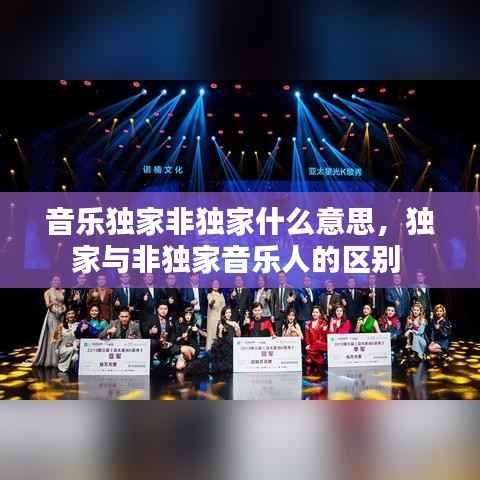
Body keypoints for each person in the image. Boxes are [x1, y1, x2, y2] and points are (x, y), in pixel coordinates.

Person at [31, 276, 66, 367]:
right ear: (51, 281)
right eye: (55, 280)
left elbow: (64, 303)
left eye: (58, 280)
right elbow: (47, 305)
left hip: (61, 315)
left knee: (60, 335)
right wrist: (53, 303)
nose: (56, 282)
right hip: (52, 316)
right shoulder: (47, 292)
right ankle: (52, 360)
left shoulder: (63, 291)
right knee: (54, 336)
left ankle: (59, 358)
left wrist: (63, 308)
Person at [210, 306, 241, 373]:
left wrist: (237, 329)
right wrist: (220, 330)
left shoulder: (234, 323)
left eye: (229, 312)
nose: (228, 314)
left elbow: (238, 335)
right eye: (226, 313)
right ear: (223, 314)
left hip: (232, 345)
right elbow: (219, 337)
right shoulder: (221, 323)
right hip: (223, 345)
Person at [271, 271, 296, 336]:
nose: (281, 278)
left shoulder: (290, 287)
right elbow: (272, 302)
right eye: (279, 277)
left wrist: (292, 297)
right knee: (278, 334)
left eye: (282, 276)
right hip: (277, 314)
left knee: (287, 333)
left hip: (287, 314)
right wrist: (272, 315)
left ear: (285, 277)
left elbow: (295, 295)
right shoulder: (274, 288)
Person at [206, 280, 226, 350]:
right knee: (212, 335)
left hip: (220, 318)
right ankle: (210, 351)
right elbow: (210, 304)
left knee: (219, 335)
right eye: (214, 284)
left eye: (217, 284)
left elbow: (224, 306)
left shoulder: (221, 294)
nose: (216, 285)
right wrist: (212, 301)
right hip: (212, 319)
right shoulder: (209, 294)